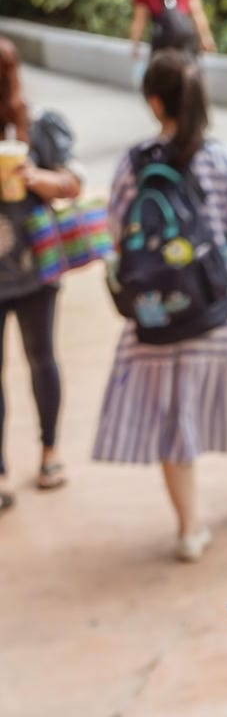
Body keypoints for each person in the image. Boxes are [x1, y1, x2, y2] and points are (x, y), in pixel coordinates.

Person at [93, 51, 227, 562]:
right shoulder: (222, 160)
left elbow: (117, 236)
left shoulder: (131, 164)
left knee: (172, 417)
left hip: (157, 315)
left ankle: (189, 528)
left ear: (156, 103)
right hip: (221, 310)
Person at [0, 39, 82, 511]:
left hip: (36, 267)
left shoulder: (40, 125)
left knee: (41, 358)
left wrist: (37, 179)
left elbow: (72, 183)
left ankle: (49, 452)